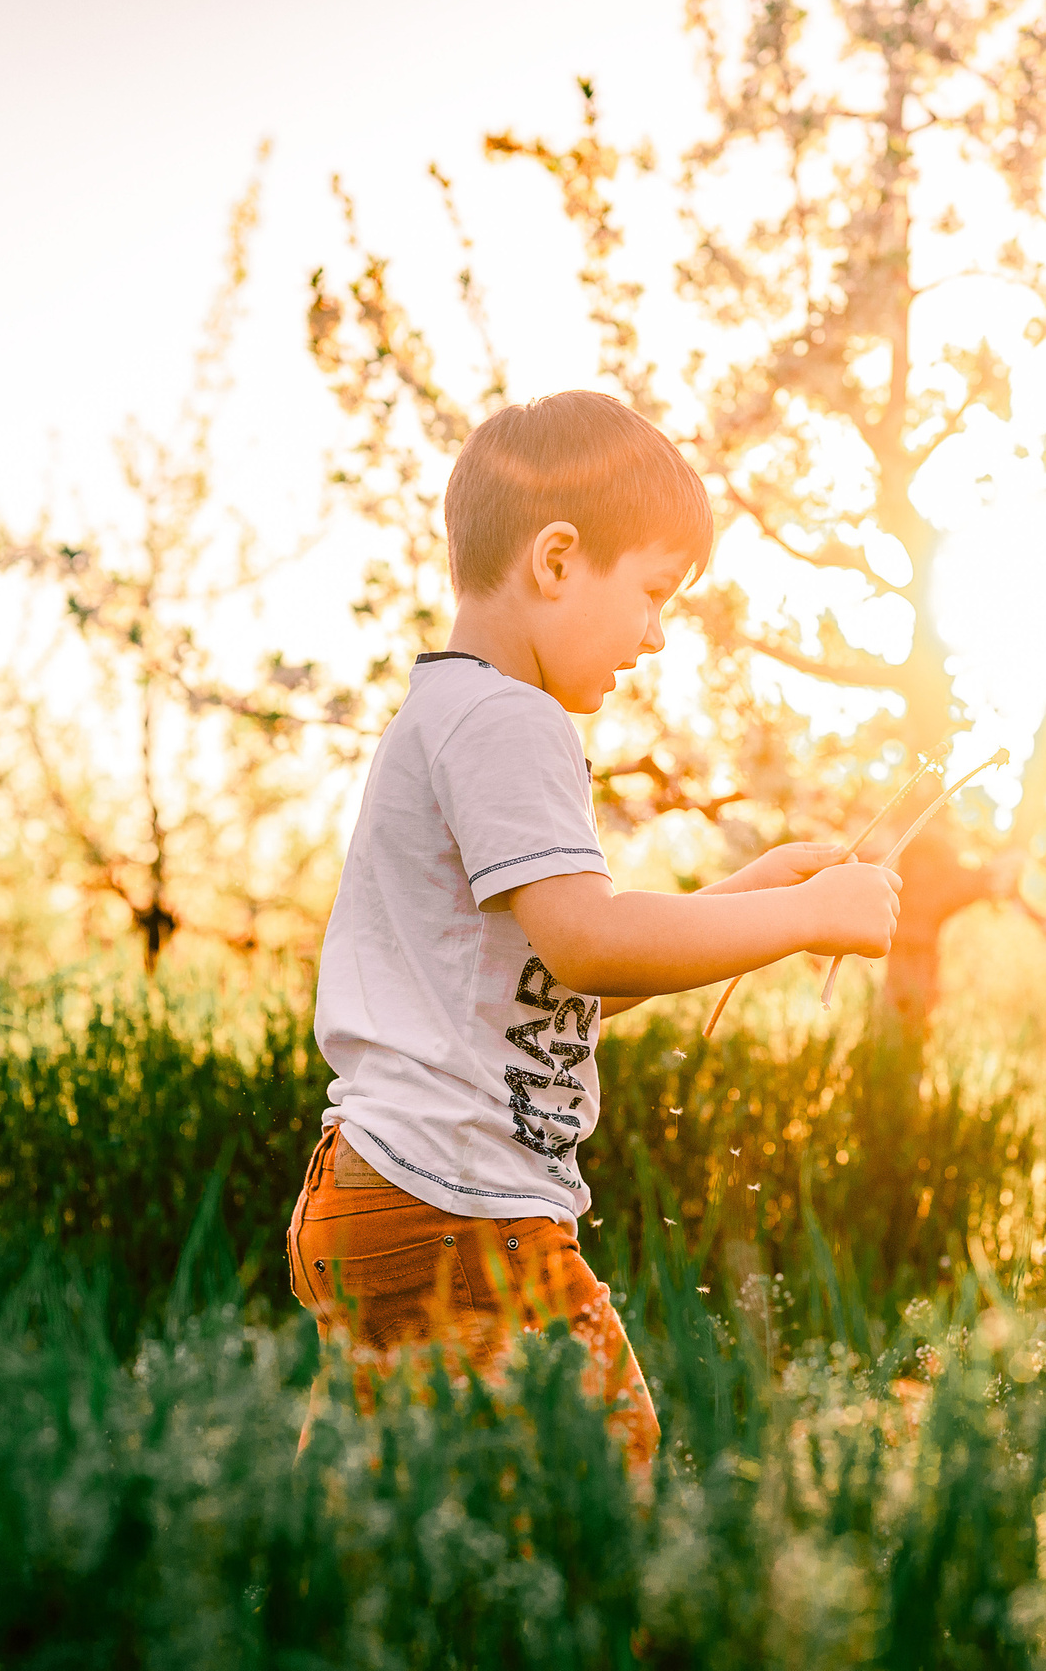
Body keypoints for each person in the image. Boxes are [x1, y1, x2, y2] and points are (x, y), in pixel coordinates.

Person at [286, 389, 903, 1475]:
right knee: (602, 1464)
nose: (657, 634)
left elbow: (560, 983)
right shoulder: (510, 720)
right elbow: (590, 944)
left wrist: (747, 895)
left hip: (385, 1191)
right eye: (654, 593)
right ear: (558, 560)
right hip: (459, 1205)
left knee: (390, 1509)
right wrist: (807, 914)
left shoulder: (448, 714)